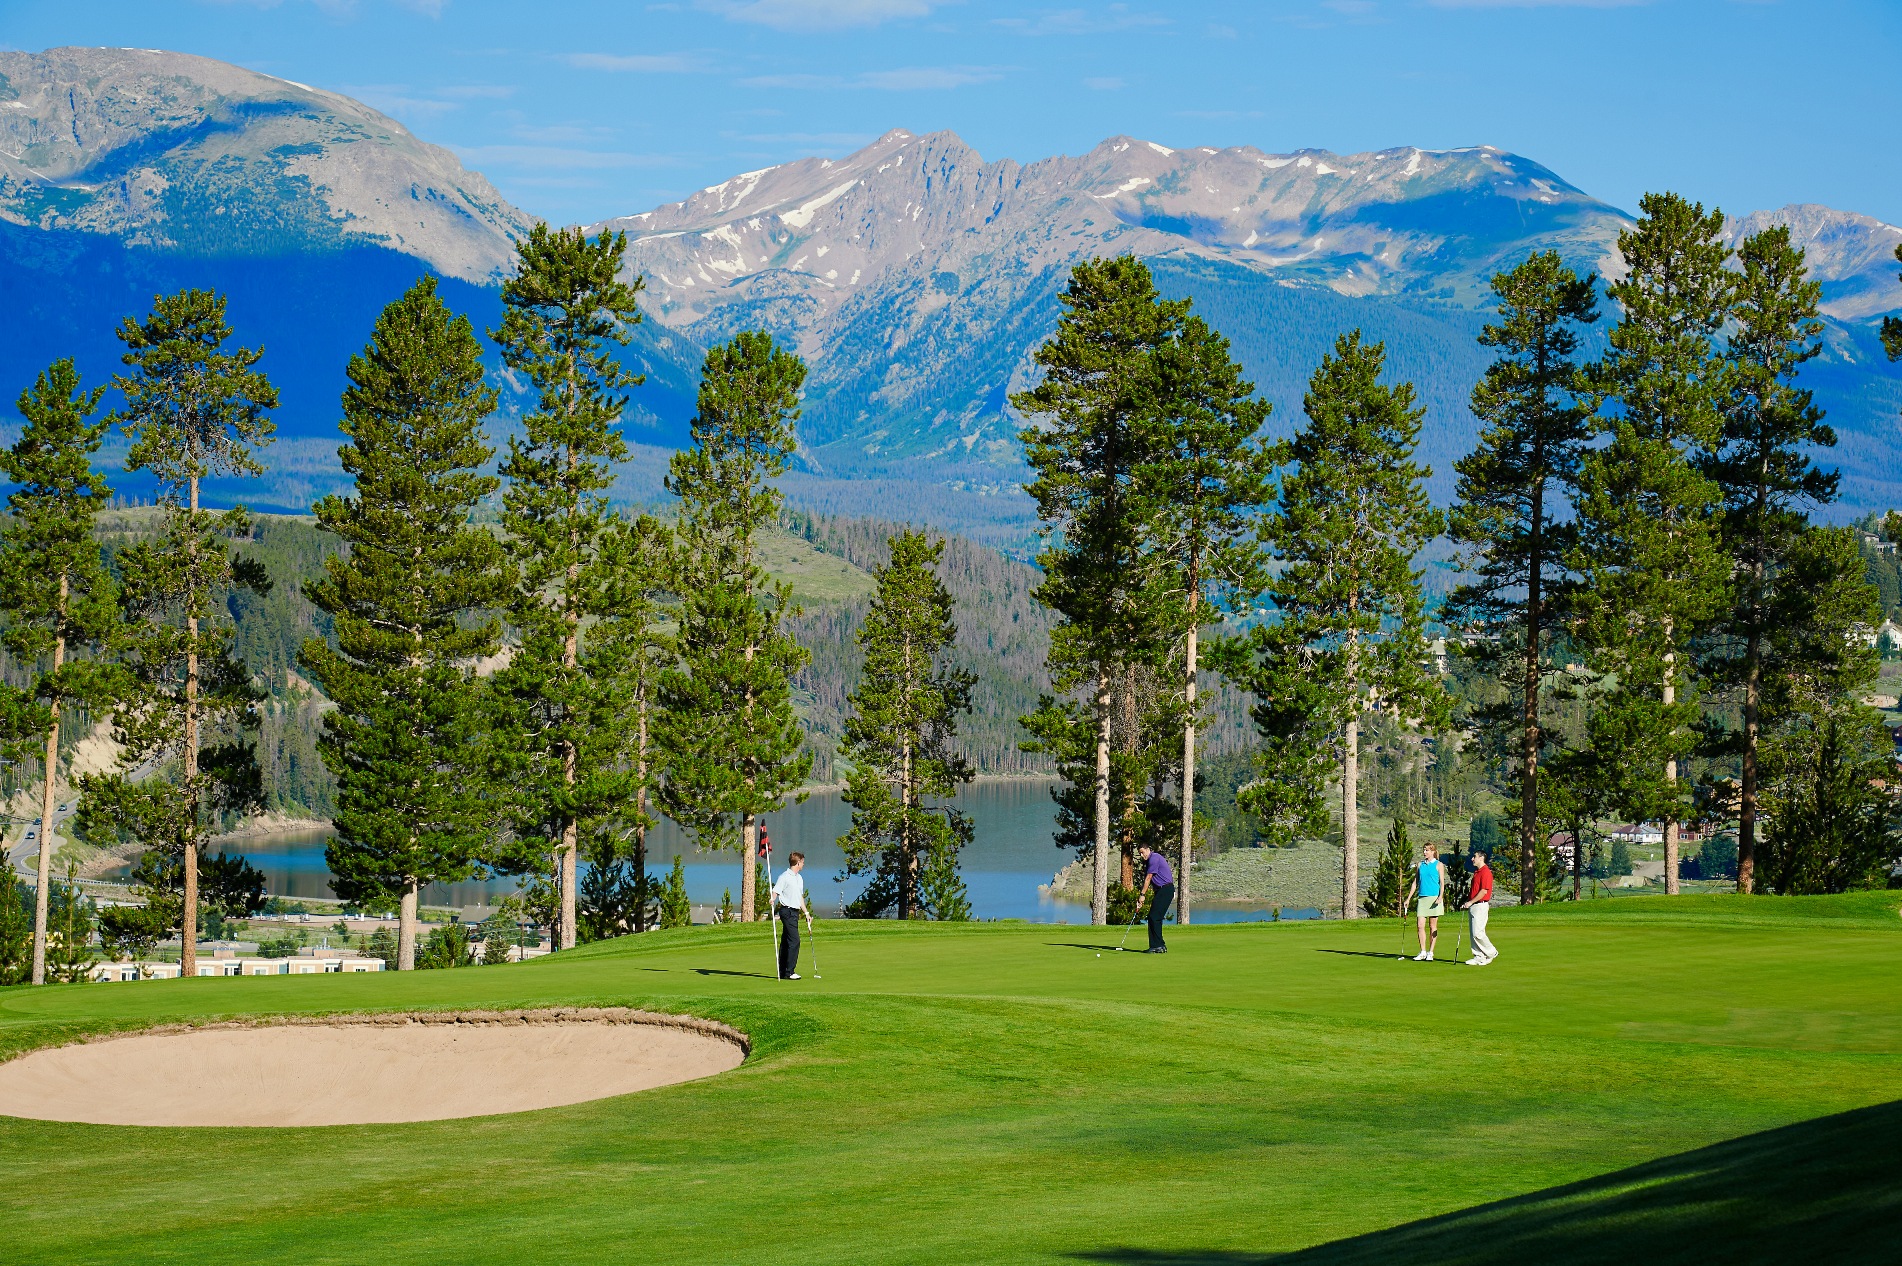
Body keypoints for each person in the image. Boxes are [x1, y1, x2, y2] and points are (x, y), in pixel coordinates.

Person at [1403, 842, 1448, 961]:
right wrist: (1408, 898)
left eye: (1427, 850)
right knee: (1420, 926)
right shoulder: (1420, 865)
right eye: (1424, 850)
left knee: (1433, 926)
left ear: (1433, 851)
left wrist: (1440, 896)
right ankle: (1422, 951)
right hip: (1422, 898)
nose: (1425, 852)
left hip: (1434, 898)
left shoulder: (1439, 865)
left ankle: (1430, 952)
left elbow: (1442, 883)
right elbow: (1415, 883)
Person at [770, 850, 812, 980]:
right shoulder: (784, 876)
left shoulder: (799, 878)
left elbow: (800, 898)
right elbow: (776, 891)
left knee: (787, 941)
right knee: (795, 940)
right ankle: (790, 972)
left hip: (794, 912)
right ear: (798, 862)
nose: (803, 865)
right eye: (802, 862)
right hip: (786, 911)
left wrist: (806, 912)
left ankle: (782, 971)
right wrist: (772, 899)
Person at [1135, 843, 1175, 954]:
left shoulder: (1154, 858)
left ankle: (1157, 946)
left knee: (1154, 917)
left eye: (1142, 852)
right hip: (1162, 891)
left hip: (1165, 890)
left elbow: (1148, 878)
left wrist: (1142, 895)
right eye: (1140, 853)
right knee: (1154, 917)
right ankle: (1160, 945)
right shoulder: (1150, 861)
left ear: (1148, 849)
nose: (1142, 855)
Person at [1462, 849, 1497, 966]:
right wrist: (1468, 902)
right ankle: (1479, 956)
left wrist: (1470, 902)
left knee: (1478, 933)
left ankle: (1491, 952)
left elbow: (1483, 891)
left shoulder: (1486, 872)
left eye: (1474, 856)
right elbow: (1474, 890)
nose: (1472, 859)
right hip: (1473, 905)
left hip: (1480, 905)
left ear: (1481, 858)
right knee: (1473, 934)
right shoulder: (1477, 872)